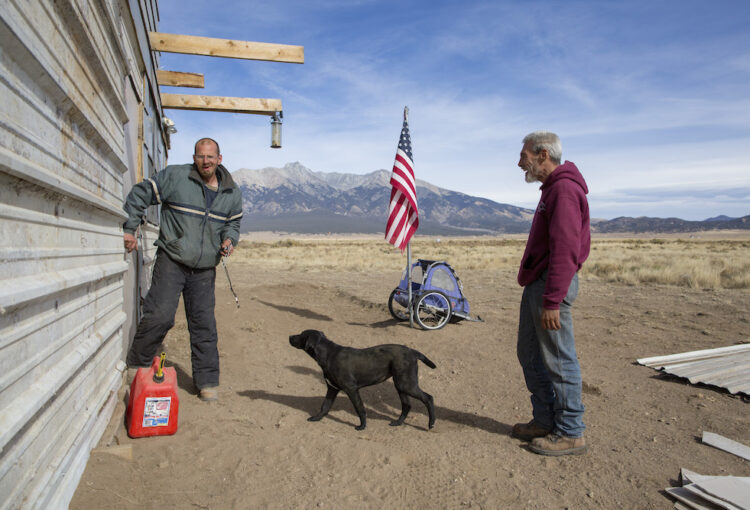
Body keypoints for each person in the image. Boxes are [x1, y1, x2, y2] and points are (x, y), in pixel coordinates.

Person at [122, 138, 243, 402]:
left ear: (219, 159)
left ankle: (207, 381)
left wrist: (228, 240)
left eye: (211, 157)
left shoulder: (231, 193)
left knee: (204, 326)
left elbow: (233, 225)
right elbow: (141, 193)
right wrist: (130, 228)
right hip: (172, 259)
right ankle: (137, 365)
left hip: (204, 270)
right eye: (201, 156)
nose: (206, 161)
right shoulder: (175, 177)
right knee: (160, 316)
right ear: (194, 157)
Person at [511, 131, 590, 456]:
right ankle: (545, 420)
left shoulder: (565, 190)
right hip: (539, 283)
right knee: (529, 353)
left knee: (558, 358)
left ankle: (571, 432)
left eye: (524, 156)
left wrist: (553, 299)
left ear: (543, 154)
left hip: (550, 285)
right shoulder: (553, 190)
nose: (520, 163)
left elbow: (565, 250)